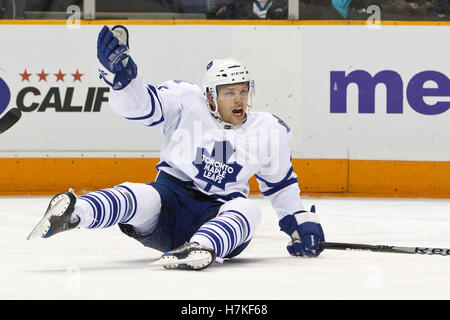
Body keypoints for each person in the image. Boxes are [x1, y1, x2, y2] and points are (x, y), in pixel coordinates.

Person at [27, 25, 325, 270]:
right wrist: (123, 81)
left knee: (248, 210)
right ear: (210, 95)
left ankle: (201, 247)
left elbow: (281, 186)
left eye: (243, 90)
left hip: (219, 213)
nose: (239, 99)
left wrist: (299, 224)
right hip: (170, 204)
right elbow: (142, 106)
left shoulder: (267, 130)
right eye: (230, 92)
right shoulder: (185, 100)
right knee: (140, 193)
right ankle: (77, 212)